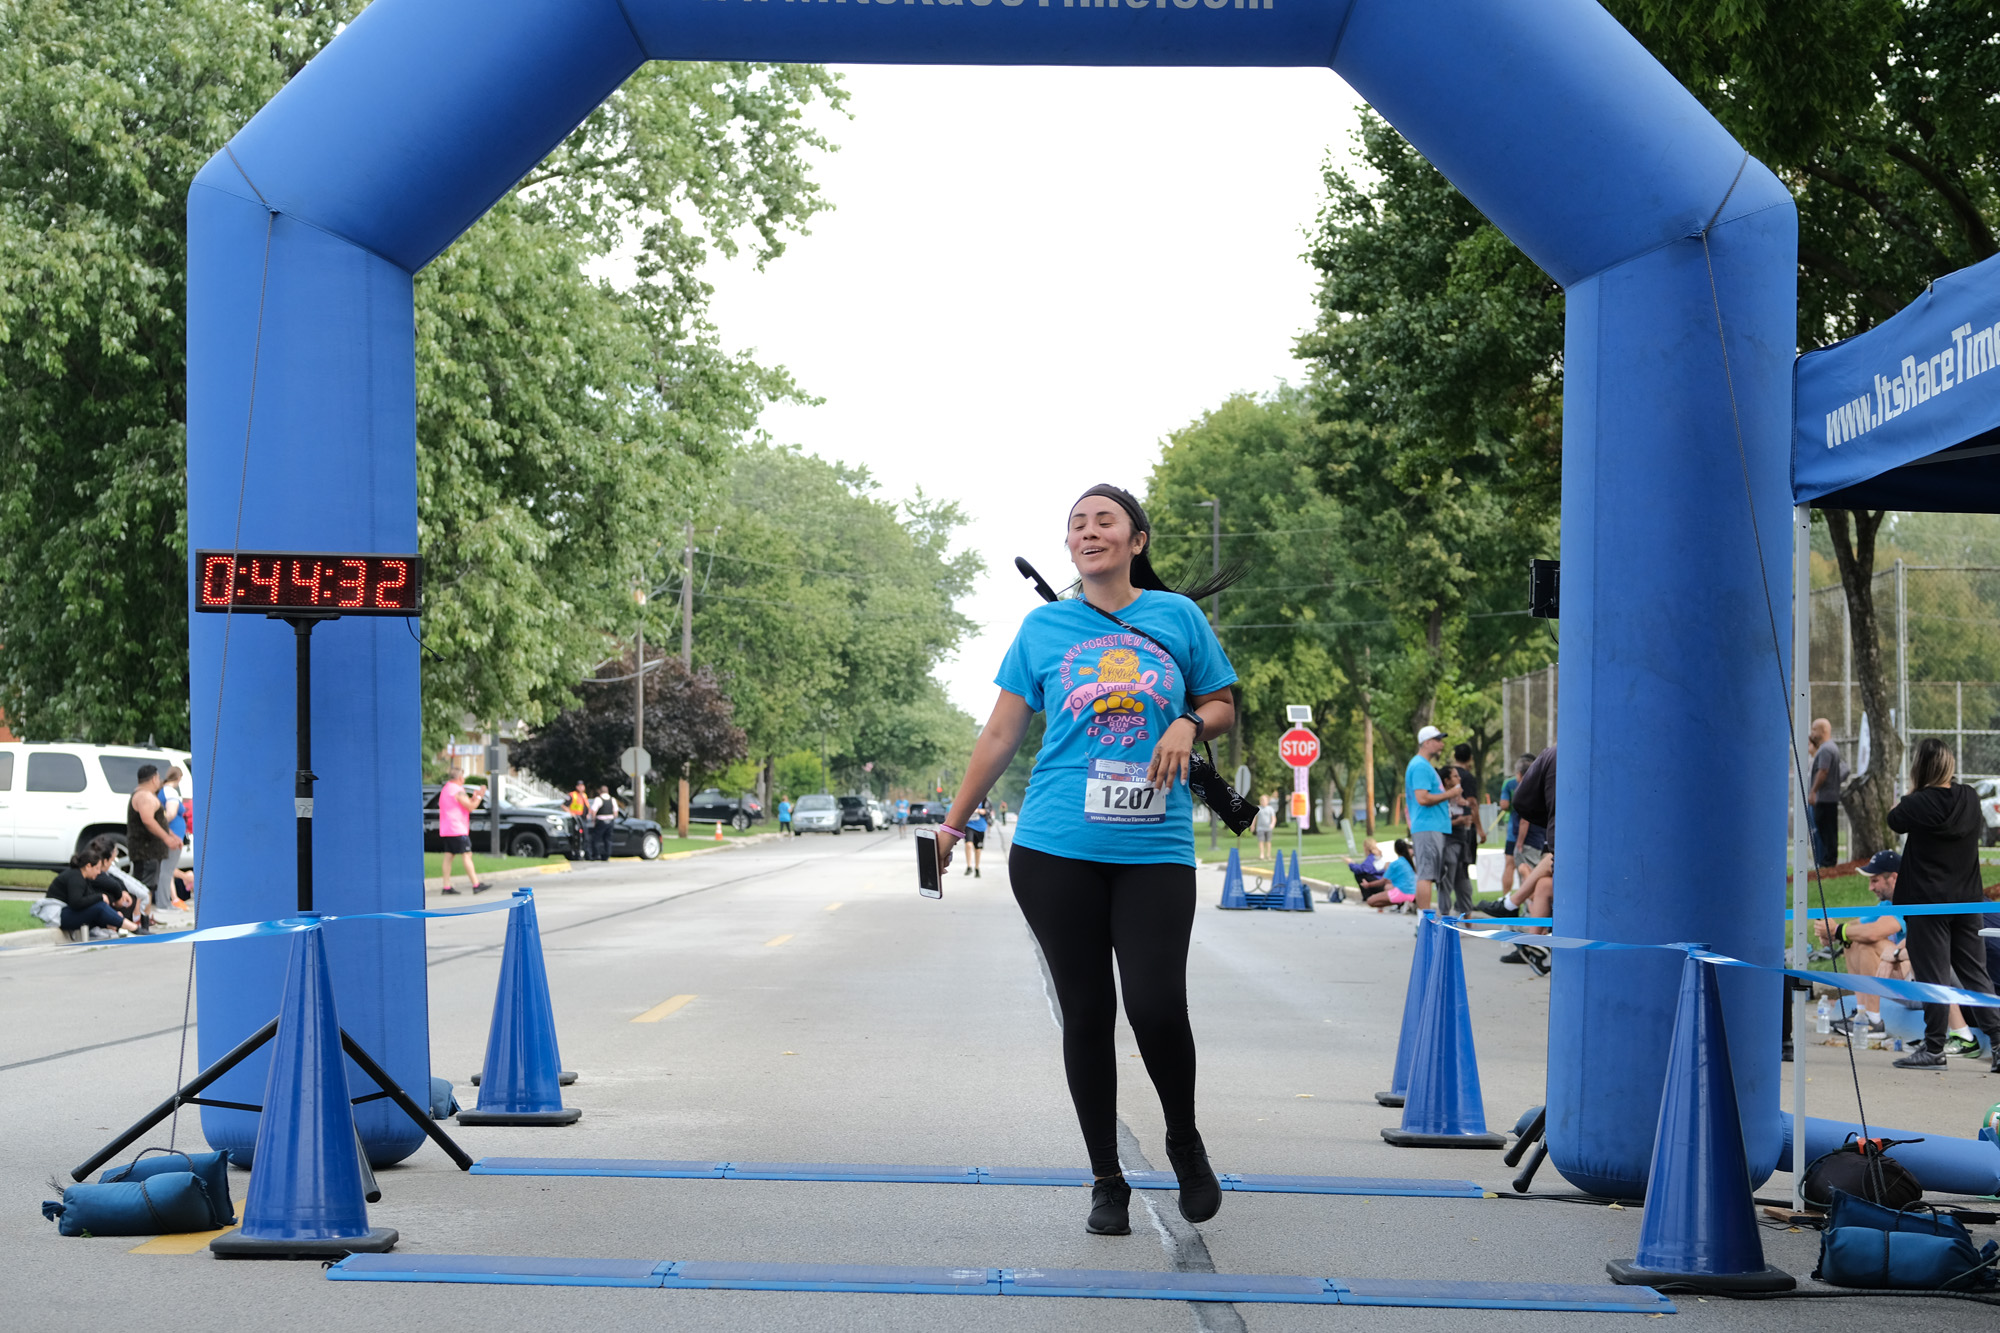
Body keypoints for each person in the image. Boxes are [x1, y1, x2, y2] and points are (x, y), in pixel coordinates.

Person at [931, 482, 1241, 1238]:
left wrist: (1188, 723)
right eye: (1078, 524)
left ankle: (1183, 1140)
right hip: (1054, 847)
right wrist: (952, 826)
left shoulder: (1177, 617)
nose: (1089, 531)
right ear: (1070, 546)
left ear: (1137, 540)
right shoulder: (1043, 628)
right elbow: (1000, 734)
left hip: (1154, 848)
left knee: (1156, 1005)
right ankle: (1107, 1178)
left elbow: (1224, 704)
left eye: (1106, 521)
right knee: (1088, 1012)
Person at [1885, 738, 2000, 1071]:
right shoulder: (1970, 798)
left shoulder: (1916, 803)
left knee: (1933, 977)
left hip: (1928, 903)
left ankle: (1934, 1046)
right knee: (1976, 975)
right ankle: (1998, 1041)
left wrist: (1913, 791)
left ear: (1919, 767)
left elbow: (1894, 820)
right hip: (1968, 900)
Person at [1819, 850, 1903, 1038]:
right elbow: (1856, 926)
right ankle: (1861, 1013)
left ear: (1894, 878)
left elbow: (1874, 932)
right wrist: (1831, 932)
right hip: (1895, 973)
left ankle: (1873, 1021)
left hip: (1918, 980)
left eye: (1875, 880)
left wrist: (1838, 931)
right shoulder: (1887, 904)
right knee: (1852, 939)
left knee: (1867, 942)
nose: (1870, 888)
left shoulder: (1908, 902)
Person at [1404, 726, 1458, 912]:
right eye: (1438, 740)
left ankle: (1425, 920)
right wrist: (1451, 793)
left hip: (1431, 826)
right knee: (1426, 875)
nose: (1441, 744)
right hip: (1427, 826)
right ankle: (1425, 921)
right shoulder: (1420, 766)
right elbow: (1423, 798)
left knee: (1428, 874)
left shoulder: (1423, 765)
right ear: (1426, 743)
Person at [44, 847, 138, 939]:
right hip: (57, 914)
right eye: (97, 868)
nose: (99, 872)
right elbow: (76, 902)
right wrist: (100, 897)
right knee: (100, 907)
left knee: (99, 907)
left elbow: (89, 899)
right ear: (88, 866)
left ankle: (125, 927)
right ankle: (134, 929)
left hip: (65, 911)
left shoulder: (83, 877)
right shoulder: (76, 877)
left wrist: (113, 914)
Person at [127, 764, 180, 913]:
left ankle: (147, 917)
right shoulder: (143, 796)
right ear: (154, 778)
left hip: (151, 851)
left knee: (150, 886)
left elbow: (159, 821)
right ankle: (140, 918)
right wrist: (167, 838)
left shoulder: (147, 795)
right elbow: (148, 820)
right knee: (143, 886)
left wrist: (173, 836)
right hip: (145, 850)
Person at [437, 767, 487, 894]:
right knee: (467, 854)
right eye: (463, 777)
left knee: (448, 856)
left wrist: (473, 797)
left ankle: (446, 887)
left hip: (447, 828)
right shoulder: (458, 790)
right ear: (460, 778)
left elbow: (462, 804)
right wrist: (479, 797)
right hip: (457, 828)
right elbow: (470, 807)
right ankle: (476, 884)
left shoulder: (446, 789)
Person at [1808, 717, 1843, 868]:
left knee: (1826, 831)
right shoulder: (1831, 748)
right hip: (1829, 797)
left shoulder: (1826, 749)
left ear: (1823, 731)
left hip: (1825, 798)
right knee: (1828, 831)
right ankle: (1828, 860)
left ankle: (1828, 862)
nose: (1812, 732)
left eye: (1814, 729)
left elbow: (1823, 771)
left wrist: (1813, 791)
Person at [1496, 754, 1529, 903]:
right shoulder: (1538, 781)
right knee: (1530, 868)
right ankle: (1527, 904)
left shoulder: (1509, 783)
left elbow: (1503, 805)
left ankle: (1506, 900)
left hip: (1514, 832)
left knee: (1510, 865)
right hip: (1535, 833)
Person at [1358, 839, 1419, 910]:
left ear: (1395, 850)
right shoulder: (1409, 862)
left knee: (1370, 901)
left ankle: (1399, 902)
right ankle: (1401, 902)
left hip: (1402, 892)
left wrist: (1368, 885)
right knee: (1388, 886)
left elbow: (1383, 881)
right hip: (1412, 893)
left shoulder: (1395, 863)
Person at [589, 785, 619, 860]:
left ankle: (596, 854)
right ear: (607, 791)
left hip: (601, 821)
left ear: (600, 791)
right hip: (610, 821)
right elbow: (616, 812)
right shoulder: (612, 799)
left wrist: (593, 820)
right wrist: (613, 819)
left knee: (596, 839)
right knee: (608, 839)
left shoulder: (598, 799)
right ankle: (607, 855)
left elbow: (593, 811)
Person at [963, 802, 989, 877]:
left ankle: (977, 868)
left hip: (980, 827)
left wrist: (977, 810)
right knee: (968, 844)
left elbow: (987, 811)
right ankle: (969, 866)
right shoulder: (968, 799)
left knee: (977, 849)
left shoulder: (985, 800)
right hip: (969, 825)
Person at [1253, 793, 1276, 863]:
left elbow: (1273, 818)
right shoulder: (1258, 808)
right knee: (1261, 841)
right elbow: (1254, 818)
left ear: (1267, 801)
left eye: (1264, 800)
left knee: (1268, 841)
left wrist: (1272, 824)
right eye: (1262, 800)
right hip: (1260, 828)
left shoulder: (1270, 809)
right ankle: (1262, 854)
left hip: (1268, 828)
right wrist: (1253, 825)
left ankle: (1268, 854)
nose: (1263, 802)